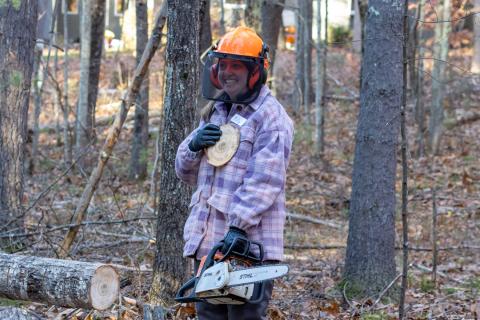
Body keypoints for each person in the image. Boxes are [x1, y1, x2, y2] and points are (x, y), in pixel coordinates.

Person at [175, 26, 294, 320]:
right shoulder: (217, 112)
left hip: (246, 248)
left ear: (255, 71)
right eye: (223, 65)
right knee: (210, 317)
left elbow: (265, 180)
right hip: (209, 243)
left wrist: (237, 227)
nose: (228, 72)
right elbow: (185, 172)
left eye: (236, 66)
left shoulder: (270, 118)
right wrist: (194, 145)